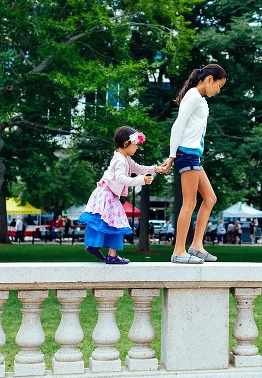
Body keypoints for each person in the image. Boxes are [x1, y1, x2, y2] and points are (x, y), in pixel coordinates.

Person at [160, 64, 227, 264]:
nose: (218, 90)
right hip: (186, 154)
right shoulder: (193, 96)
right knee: (189, 203)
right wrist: (172, 156)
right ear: (209, 80)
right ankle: (178, 250)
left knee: (210, 198)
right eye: (219, 85)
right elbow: (177, 125)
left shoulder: (200, 100)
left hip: (193, 156)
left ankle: (196, 245)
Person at [80, 126, 166, 264]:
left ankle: (93, 245)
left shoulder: (124, 158)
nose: (136, 148)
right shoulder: (120, 160)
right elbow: (120, 178)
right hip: (107, 194)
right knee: (118, 223)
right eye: (135, 145)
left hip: (104, 193)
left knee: (104, 221)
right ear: (126, 144)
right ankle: (111, 255)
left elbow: (138, 168)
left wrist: (155, 169)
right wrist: (141, 180)